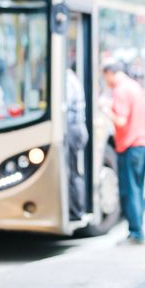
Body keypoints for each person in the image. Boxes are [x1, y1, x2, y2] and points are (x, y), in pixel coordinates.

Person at [101, 61, 145, 245]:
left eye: (104, 76)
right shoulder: (134, 86)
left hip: (130, 146)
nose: (104, 81)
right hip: (144, 144)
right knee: (138, 189)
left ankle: (136, 232)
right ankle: (138, 229)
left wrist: (106, 109)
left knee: (129, 191)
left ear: (110, 73)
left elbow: (121, 121)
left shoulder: (120, 90)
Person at [66, 66, 88, 221]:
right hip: (77, 129)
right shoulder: (72, 78)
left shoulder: (67, 80)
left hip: (73, 130)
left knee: (73, 172)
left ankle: (76, 211)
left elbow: (63, 106)